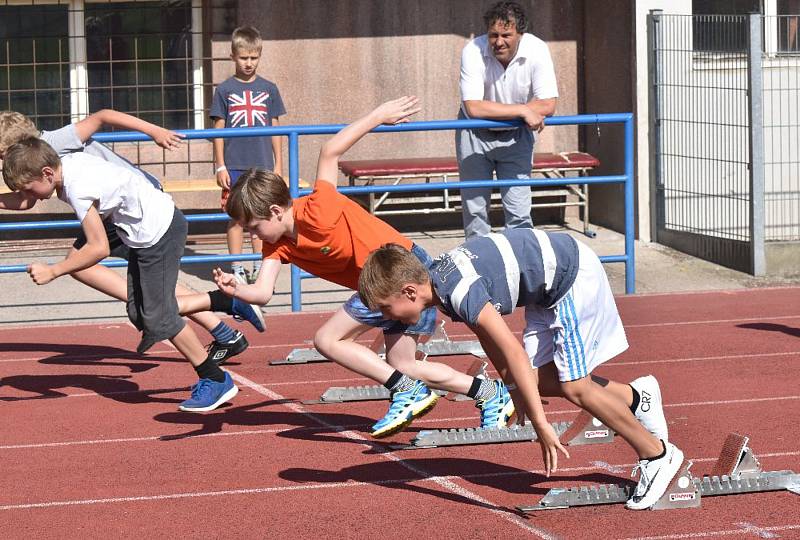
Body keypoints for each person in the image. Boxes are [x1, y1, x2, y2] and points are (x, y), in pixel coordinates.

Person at [182, 96, 516, 438]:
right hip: (379, 291)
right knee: (403, 365)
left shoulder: (318, 206)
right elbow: (263, 293)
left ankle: (410, 390)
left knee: (328, 339)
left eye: (253, 226)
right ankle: (491, 395)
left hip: (405, 272)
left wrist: (379, 115)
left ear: (276, 212)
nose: (251, 234)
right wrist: (237, 289)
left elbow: (330, 151)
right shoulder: (276, 243)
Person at [357, 231, 681, 510]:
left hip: (570, 275)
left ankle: (657, 455)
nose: (389, 318)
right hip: (543, 288)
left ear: (410, 292)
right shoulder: (438, 285)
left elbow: (513, 351)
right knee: (538, 383)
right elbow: (488, 338)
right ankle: (638, 397)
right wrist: (514, 391)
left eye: (387, 308)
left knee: (575, 386)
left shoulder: (457, 291)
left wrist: (541, 422)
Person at [1, 136, 265, 412]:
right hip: (138, 229)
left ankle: (215, 378)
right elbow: (25, 201)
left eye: (29, 189)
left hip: (159, 233)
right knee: (140, 313)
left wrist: (54, 271)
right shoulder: (62, 164)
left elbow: (98, 248)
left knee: (159, 317)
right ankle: (228, 302)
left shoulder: (77, 188)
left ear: (45, 173)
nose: (28, 196)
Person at [457, 1, 558, 239]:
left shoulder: (537, 49)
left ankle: (520, 270)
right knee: (475, 212)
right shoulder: (472, 50)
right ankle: (480, 268)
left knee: (519, 212)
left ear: (520, 34)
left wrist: (520, 113)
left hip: (517, 134)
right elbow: (473, 107)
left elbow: (548, 104)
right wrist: (523, 110)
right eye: (493, 35)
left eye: (506, 35)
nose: (498, 41)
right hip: (475, 133)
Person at [211, 25, 286, 285]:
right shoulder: (224, 90)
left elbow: (276, 127)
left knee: (261, 218)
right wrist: (220, 166)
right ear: (233, 56)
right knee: (235, 219)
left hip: (263, 165)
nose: (249, 63)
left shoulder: (269, 88)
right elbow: (218, 130)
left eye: (254, 58)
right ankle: (237, 268)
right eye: (244, 57)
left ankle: (258, 266)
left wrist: (279, 165)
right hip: (234, 165)